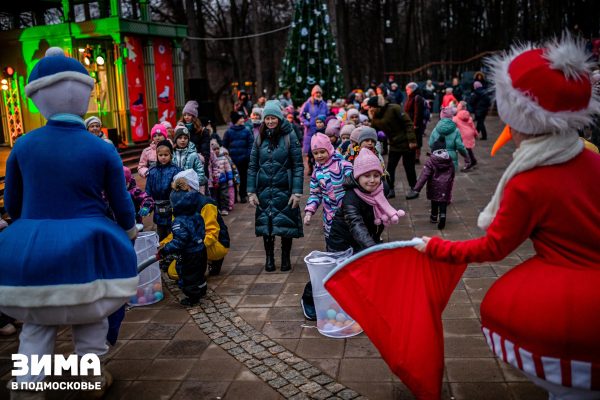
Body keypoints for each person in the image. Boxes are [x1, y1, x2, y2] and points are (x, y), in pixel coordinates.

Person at [416, 35, 600, 399]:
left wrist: (438, 249)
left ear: (518, 117)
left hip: (575, 306)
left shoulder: (528, 182)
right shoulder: (592, 157)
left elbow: (494, 246)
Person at [0, 48, 137, 397]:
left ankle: (28, 388)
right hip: (87, 248)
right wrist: (129, 229)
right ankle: (88, 381)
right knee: (90, 318)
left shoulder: (23, 146)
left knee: (35, 325)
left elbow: (13, 204)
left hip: (33, 250)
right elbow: (122, 205)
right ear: (85, 94)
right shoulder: (101, 148)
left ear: (37, 97)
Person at [247, 100, 304, 272]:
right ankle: (269, 257)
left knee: (285, 224)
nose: (270, 121)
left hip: (284, 188)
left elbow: (297, 165)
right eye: (267, 118)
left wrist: (297, 192)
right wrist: (251, 191)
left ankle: (285, 257)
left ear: (279, 118)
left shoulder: (289, 135)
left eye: (273, 118)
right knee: (267, 225)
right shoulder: (260, 137)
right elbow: (252, 165)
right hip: (264, 188)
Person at [327, 149, 405, 253]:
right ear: (358, 177)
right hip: (342, 244)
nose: (372, 180)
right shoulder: (351, 198)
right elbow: (356, 225)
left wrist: (374, 240)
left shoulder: (382, 188)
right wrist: (371, 247)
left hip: (365, 239)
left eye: (376, 175)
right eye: (367, 176)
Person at [158, 173, 207, 306]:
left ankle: (192, 298)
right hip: (201, 249)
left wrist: (165, 249)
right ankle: (202, 289)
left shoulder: (179, 221)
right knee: (199, 273)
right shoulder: (196, 215)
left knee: (188, 275)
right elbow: (202, 231)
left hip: (189, 254)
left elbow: (180, 240)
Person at [367, 95, 418, 199]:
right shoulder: (375, 116)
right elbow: (373, 131)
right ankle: (390, 189)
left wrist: (412, 140)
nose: (370, 109)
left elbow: (408, 123)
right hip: (394, 144)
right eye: (369, 107)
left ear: (378, 106)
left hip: (406, 143)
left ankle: (414, 188)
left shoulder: (394, 108)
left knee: (409, 167)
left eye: (372, 106)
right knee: (390, 168)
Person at [304, 133, 353, 237]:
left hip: (348, 212)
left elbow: (354, 181)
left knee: (351, 239)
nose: (319, 155)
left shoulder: (342, 165)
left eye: (322, 152)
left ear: (329, 149)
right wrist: (309, 211)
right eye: (316, 153)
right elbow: (315, 194)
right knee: (333, 242)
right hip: (330, 215)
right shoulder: (316, 172)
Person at [406, 137, 455, 229]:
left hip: (434, 185)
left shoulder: (431, 161)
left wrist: (416, 189)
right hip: (446, 185)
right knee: (443, 201)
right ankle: (443, 215)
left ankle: (434, 216)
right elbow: (452, 172)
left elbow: (424, 175)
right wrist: (451, 180)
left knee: (434, 200)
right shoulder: (449, 159)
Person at [146, 140, 181, 241]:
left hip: (172, 207)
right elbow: (148, 191)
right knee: (160, 233)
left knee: (172, 233)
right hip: (157, 207)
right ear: (157, 155)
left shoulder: (176, 170)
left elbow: (180, 190)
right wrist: (147, 206)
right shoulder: (152, 171)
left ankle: (173, 253)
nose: (163, 157)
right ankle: (162, 252)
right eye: (160, 155)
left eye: (166, 154)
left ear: (171, 155)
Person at [180, 100, 221, 177]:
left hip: (198, 164)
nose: (186, 117)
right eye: (185, 115)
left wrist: (203, 169)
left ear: (194, 116)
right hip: (183, 165)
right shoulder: (180, 129)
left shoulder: (202, 131)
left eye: (189, 114)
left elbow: (205, 152)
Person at [224, 111, 254, 203]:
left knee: (243, 177)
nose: (242, 120)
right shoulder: (229, 132)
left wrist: (248, 155)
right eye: (240, 118)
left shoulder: (247, 130)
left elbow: (251, 144)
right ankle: (234, 196)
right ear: (236, 120)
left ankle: (243, 195)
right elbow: (224, 145)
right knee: (233, 178)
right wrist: (227, 157)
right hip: (232, 160)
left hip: (244, 159)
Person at [299, 85, 329, 175]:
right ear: (313, 94)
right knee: (309, 151)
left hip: (322, 129)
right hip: (310, 130)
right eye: (316, 92)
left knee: (321, 148)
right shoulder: (308, 103)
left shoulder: (324, 104)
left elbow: (327, 114)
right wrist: (306, 123)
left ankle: (321, 167)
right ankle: (310, 167)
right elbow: (301, 115)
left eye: (319, 92)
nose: (318, 94)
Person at [209, 139, 234, 215]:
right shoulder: (210, 159)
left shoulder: (224, 158)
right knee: (216, 196)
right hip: (214, 181)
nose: (216, 150)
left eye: (217, 149)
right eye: (214, 149)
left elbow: (228, 169)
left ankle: (224, 208)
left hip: (223, 180)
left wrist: (230, 179)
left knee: (224, 195)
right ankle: (218, 208)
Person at [404, 82, 427, 163]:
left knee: (417, 140)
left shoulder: (417, 97)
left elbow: (417, 112)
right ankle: (412, 157)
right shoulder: (410, 97)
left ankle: (416, 158)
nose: (406, 91)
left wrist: (415, 124)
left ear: (412, 89)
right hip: (409, 122)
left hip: (415, 123)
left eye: (408, 89)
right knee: (412, 139)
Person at [453, 101, 479, 171]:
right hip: (469, 134)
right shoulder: (469, 117)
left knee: (464, 150)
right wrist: (476, 134)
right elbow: (473, 126)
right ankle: (473, 161)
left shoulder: (455, 118)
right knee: (468, 148)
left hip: (462, 135)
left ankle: (468, 164)